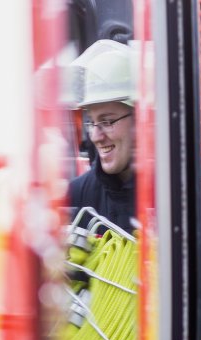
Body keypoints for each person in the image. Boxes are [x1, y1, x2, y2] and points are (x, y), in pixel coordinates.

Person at [67, 40, 137, 230]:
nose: (96, 136)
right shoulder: (76, 196)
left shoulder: (176, 194)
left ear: (140, 120)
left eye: (107, 121)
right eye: (92, 122)